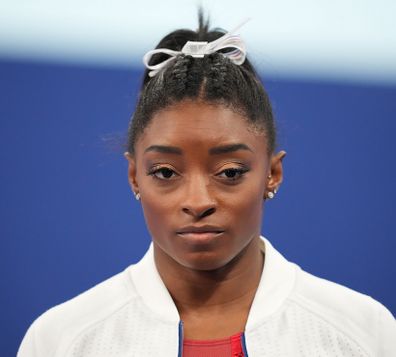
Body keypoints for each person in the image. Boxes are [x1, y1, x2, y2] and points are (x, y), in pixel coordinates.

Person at [18, 11, 396, 357]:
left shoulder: (363, 333)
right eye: (165, 172)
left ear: (272, 174)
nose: (198, 201)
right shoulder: (62, 339)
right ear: (134, 176)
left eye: (230, 172)